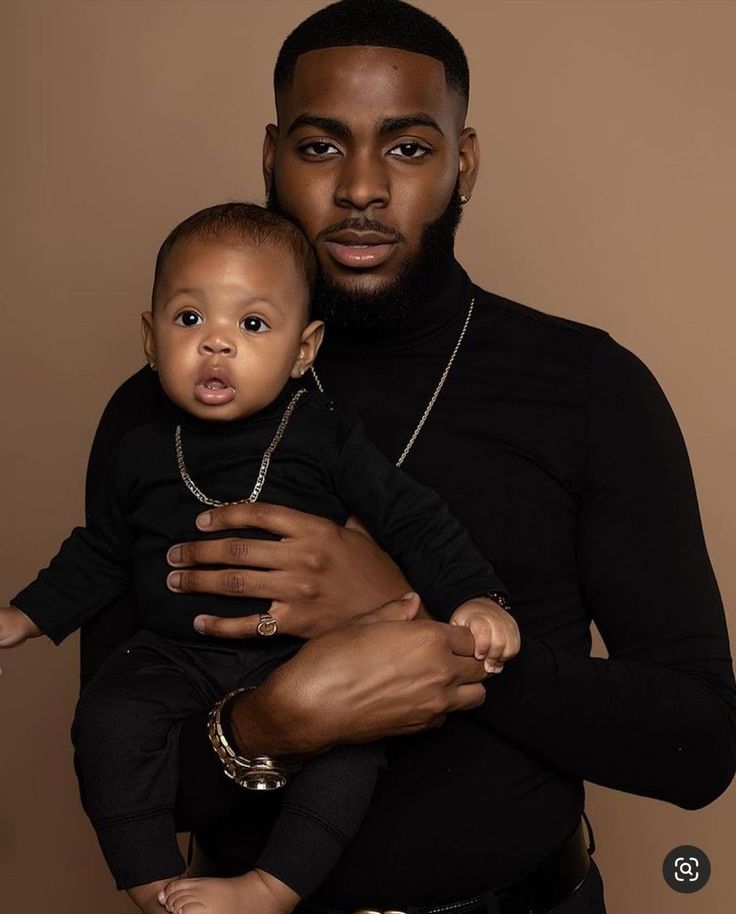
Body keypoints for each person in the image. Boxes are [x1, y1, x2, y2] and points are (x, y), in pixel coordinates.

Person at [76, 2, 736, 913]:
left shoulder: (590, 387)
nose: (360, 188)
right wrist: (274, 722)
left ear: (463, 164)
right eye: (319, 147)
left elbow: (700, 748)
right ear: (270, 158)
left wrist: (417, 628)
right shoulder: (159, 419)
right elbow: (119, 760)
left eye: (408, 148)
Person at [0, 201, 517, 914]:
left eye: (251, 325)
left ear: (303, 350)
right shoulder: (142, 446)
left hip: (302, 657)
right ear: (150, 338)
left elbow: (413, 517)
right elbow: (102, 552)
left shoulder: (324, 433)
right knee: (108, 719)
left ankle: (271, 887)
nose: (217, 345)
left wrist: (477, 597)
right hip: (172, 657)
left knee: (349, 749)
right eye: (189, 320)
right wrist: (23, 616)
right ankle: (152, 883)